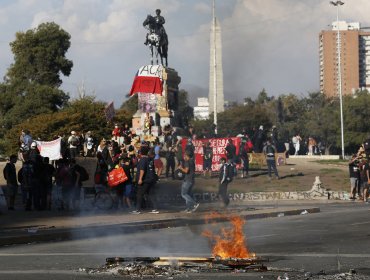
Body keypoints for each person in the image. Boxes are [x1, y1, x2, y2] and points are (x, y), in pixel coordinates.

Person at [131, 146, 159, 214]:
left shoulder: (143, 159)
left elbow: (142, 170)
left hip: (145, 180)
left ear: (141, 152)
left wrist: (140, 179)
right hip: (151, 179)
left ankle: (137, 210)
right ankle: (155, 208)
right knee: (151, 194)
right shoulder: (150, 159)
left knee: (139, 194)